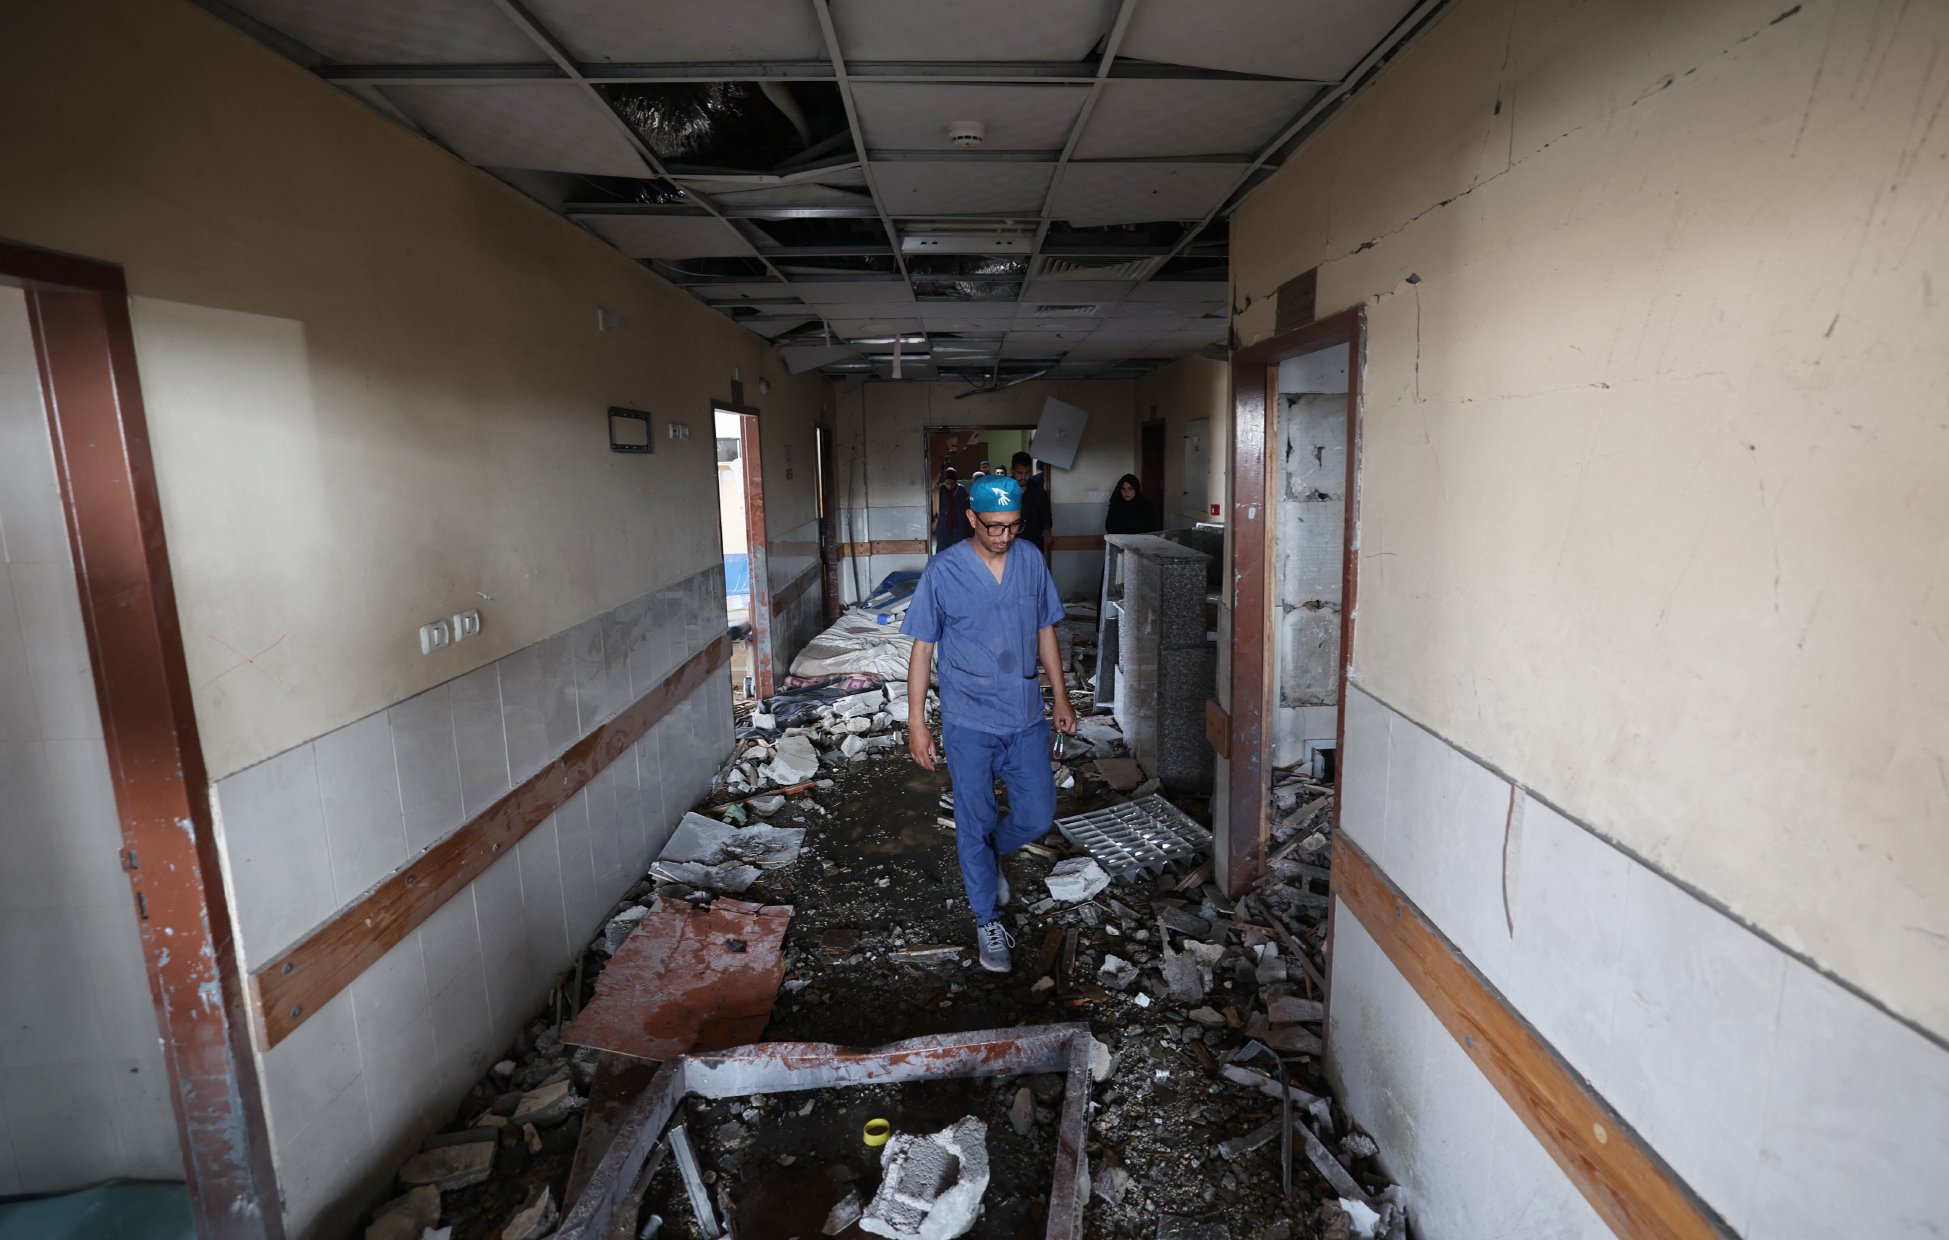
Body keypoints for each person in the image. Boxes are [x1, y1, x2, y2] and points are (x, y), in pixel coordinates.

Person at [903, 475, 1077, 973]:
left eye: (1014, 526)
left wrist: (1059, 697)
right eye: (995, 527)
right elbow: (922, 650)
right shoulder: (944, 571)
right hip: (968, 721)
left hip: (1024, 716)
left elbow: (1045, 630)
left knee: (1036, 815)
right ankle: (985, 920)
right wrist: (916, 722)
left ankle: (987, 856)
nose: (1005, 537)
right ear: (972, 519)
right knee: (973, 822)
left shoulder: (1029, 562)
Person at [1010, 451, 1054, 562]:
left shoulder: (1038, 491)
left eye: (1027, 473)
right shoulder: (1005, 490)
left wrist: (1047, 529)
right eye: (1019, 473)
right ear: (1012, 471)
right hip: (1010, 543)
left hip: (1034, 543)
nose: (1023, 477)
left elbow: (1047, 516)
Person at [932, 466, 969, 553]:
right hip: (943, 523)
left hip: (958, 524)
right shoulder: (940, 490)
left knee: (959, 547)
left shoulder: (961, 490)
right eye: (947, 483)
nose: (949, 486)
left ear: (956, 482)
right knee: (942, 547)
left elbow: (966, 507)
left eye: (952, 484)